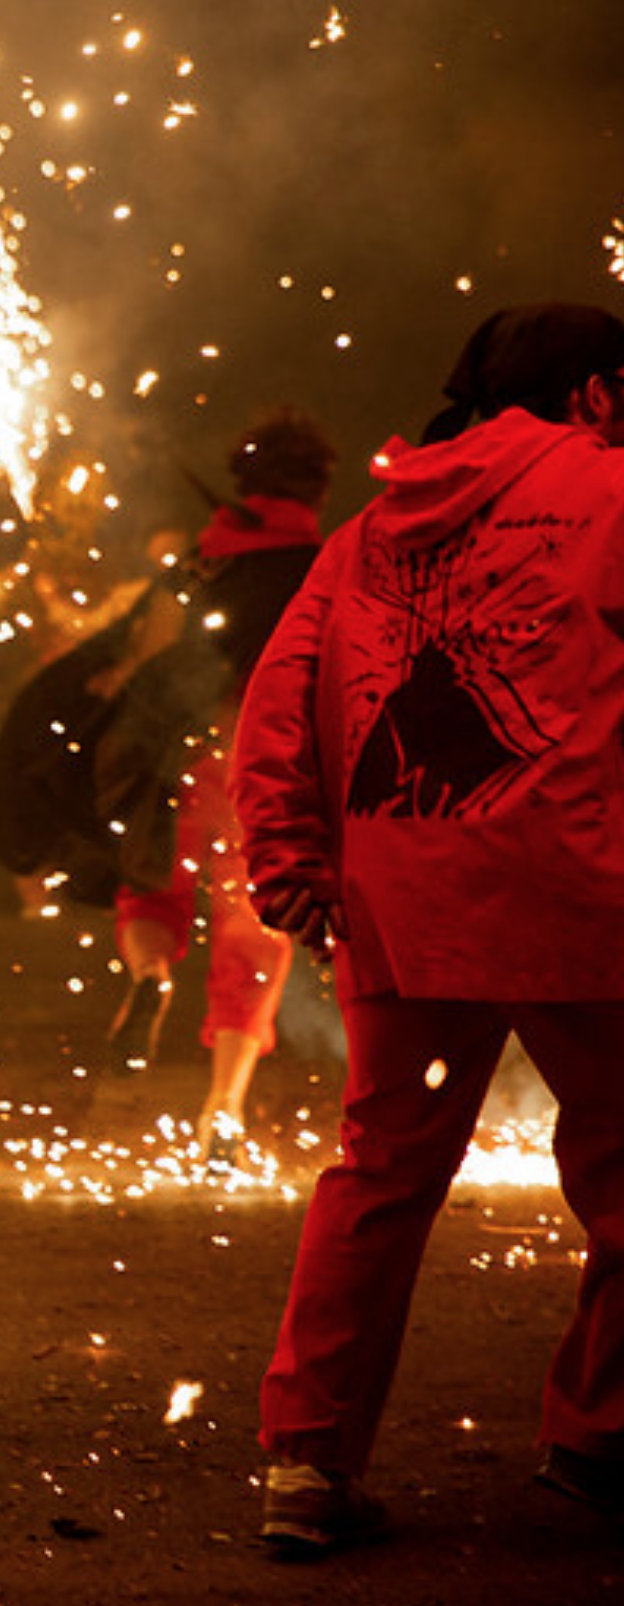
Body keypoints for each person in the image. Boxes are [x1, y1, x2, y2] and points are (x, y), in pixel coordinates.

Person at [231, 302, 624, 1555]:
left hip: (403, 891)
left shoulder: (371, 524)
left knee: (381, 1174)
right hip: (585, 894)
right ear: (601, 392)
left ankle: (307, 1462)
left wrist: (289, 855)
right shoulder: (616, 490)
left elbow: (280, 696)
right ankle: (598, 1438)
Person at [99, 407, 334, 1157]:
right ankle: (222, 1108)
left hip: (182, 753)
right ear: (317, 487)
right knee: (252, 928)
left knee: (151, 886)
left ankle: (147, 973)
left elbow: (157, 664)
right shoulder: (326, 565)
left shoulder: (201, 563)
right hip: (264, 764)